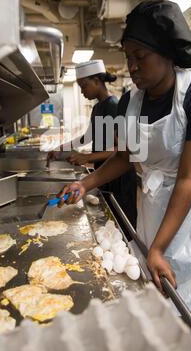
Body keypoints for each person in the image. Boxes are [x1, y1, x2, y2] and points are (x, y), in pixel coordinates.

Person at [57, 1, 191, 351]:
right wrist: (87, 183)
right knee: (178, 301)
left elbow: (189, 178)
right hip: (164, 208)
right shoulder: (131, 101)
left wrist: (156, 248)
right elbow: (126, 158)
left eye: (140, 55)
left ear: (166, 53)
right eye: (128, 56)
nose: (132, 66)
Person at [48, 59, 137, 227]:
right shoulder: (97, 108)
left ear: (97, 81)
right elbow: (87, 136)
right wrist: (61, 148)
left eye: (84, 86)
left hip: (118, 175)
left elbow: (122, 150)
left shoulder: (114, 106)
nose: (82, 91)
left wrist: (88, 157)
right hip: (103, 172)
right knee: (107, 218)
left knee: (122, 221)